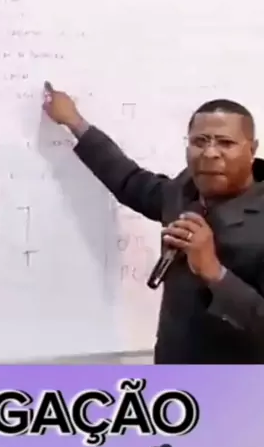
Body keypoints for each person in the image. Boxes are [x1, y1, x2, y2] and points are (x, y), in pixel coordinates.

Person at [42, 84, 264, 362]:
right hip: (171, 364)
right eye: (199, 141)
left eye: (225, 143)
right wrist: (75, 123)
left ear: (252, 149)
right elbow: (130, 181)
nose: (210, 153)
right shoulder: (184, 190)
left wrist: (213, 271)